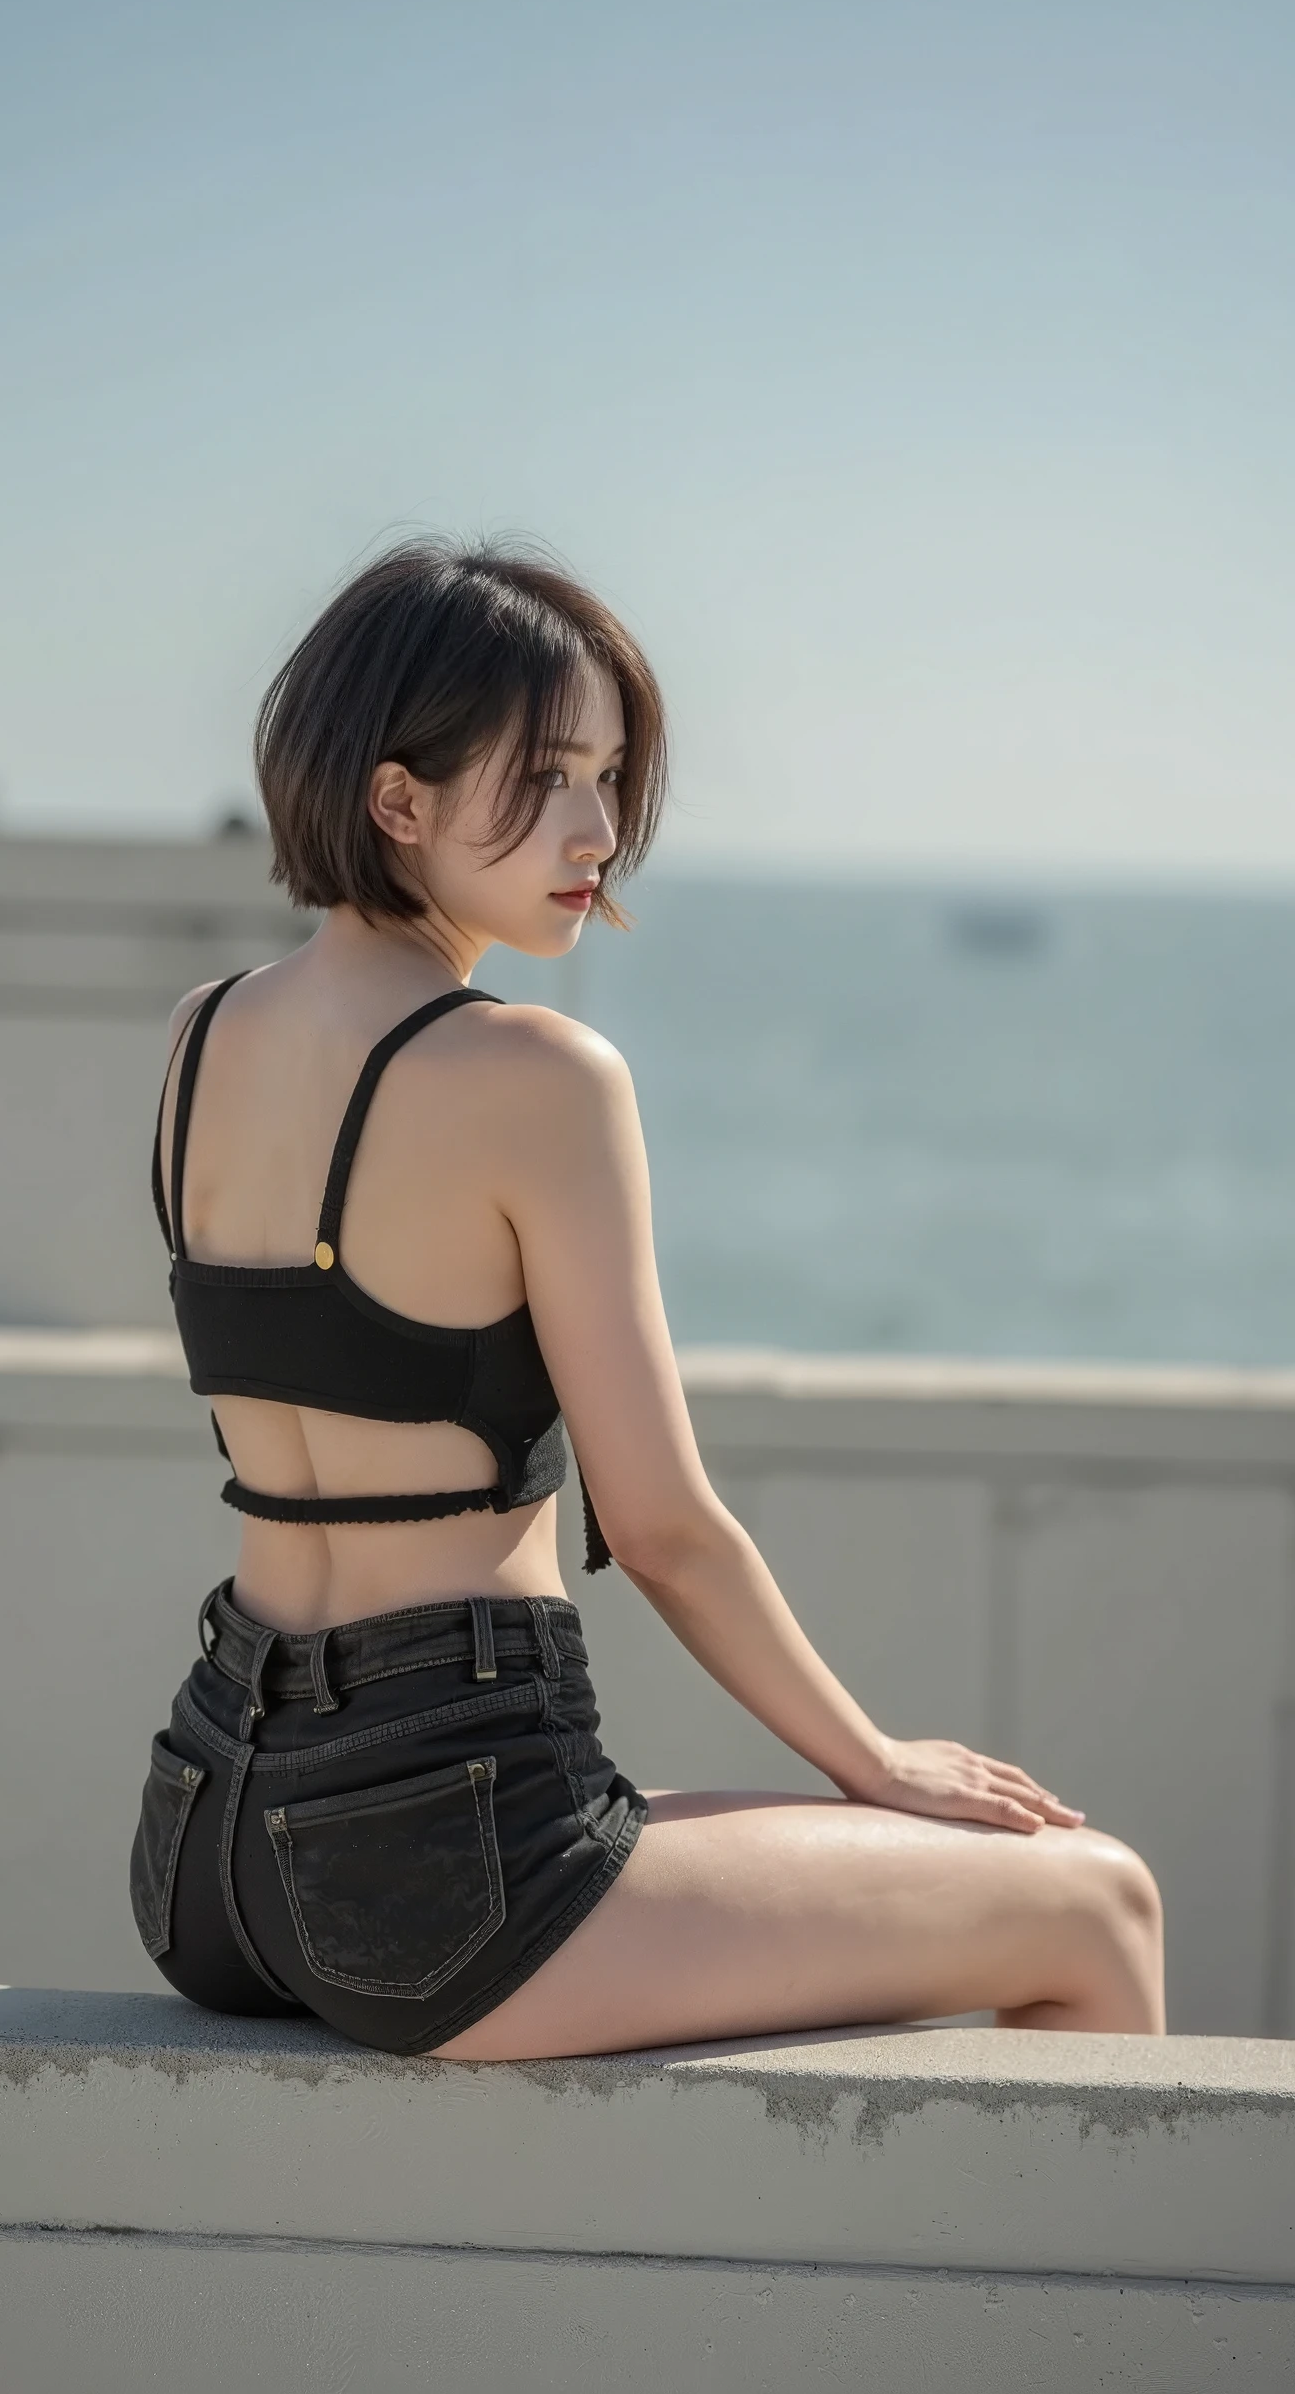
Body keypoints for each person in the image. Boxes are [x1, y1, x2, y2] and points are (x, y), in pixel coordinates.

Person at [130, 538, 1165, 2059]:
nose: (598, 826)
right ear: (394, 798)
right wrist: (873, 1761)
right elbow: (665, 1529)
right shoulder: (537, 1077)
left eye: (612, 775)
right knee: (1095, 1901)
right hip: (443, 1867)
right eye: (547, 775)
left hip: (206, 1836)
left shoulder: (197, 1036)